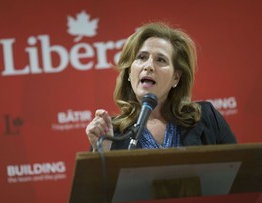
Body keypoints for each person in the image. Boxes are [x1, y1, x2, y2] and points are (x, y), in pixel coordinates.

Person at [85, 22, 237, 152]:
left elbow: (237, 172)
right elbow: (101, 186)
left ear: (175, 78)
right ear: (130, 73)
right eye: (142, 57)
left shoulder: (206, 117)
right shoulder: (111, 134)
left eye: (161, 60)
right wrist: (103, 152)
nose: (149, 66)